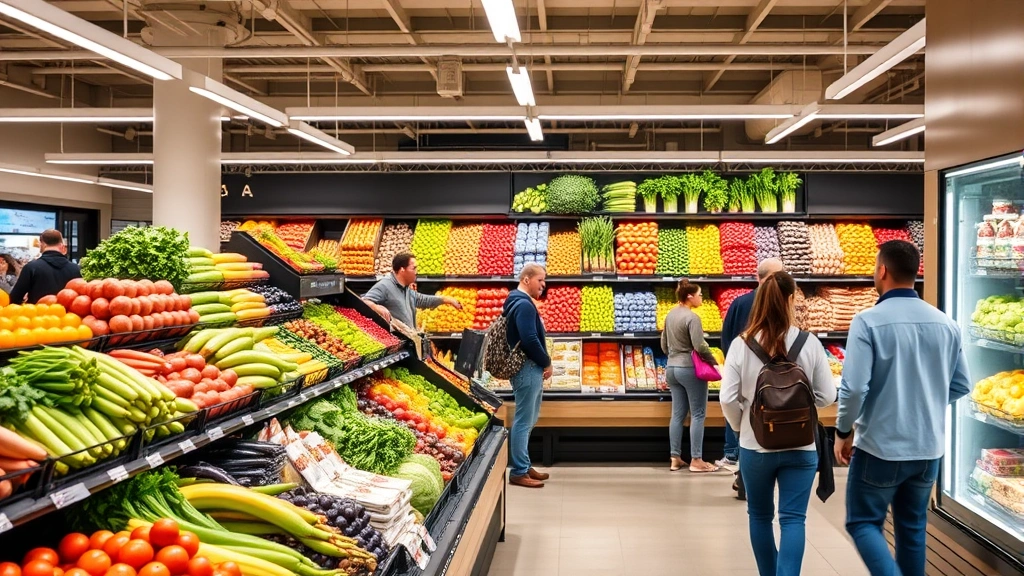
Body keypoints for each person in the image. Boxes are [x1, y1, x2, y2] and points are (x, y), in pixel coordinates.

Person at [835, 240, 971, 576]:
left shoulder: (867, 321)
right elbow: (962, 385)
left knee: (863, 523)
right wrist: (923, 402)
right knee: (912, 528)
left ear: (882, 270)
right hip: (928, 450)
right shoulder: (946, 323)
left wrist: (843, 431)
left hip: (881, 446)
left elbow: (853, 389)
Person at [719, 271, 836, 576]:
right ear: (789, 300)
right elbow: (827, 395)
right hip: (802, 445)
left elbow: (727, 398)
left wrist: (740, 426)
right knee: (793, 519)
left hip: (754, 447)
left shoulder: (741, 345)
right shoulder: (808, 343)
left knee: (759, 516)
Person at [718, 258, 785, 472]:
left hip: (741, 368)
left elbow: (726, 335)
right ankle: (770, 447)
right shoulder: (784, 303)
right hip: (775, 373)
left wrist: (733, 362)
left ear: (757, 278)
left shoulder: (740, 303)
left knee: (736, 403)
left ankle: (732, 453)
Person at [661, 279, 719, 473]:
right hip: (689, 369)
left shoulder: (670, 315)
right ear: (689, 296)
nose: (701, 297)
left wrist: (673, 356)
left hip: (672, 369)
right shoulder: (692, 318)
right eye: (700, 294)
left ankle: (675, 457)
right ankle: (696, 460)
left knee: (677, 414)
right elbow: (699, 345)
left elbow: (663, 343)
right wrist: (713, 362)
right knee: (698, 414)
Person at [503, 263, 552, 488]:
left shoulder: (515, 300)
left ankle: (524, 463)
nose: (544, 285)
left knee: (529, 419)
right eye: (540, 280)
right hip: (527, 368)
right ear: (526, 280)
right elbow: (530, 339)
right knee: (524, 420)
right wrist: (546, 361)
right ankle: (519, 472)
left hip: (527, 368)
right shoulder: (524, 305)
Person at [362, 252, 462, 328]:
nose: (416, 272)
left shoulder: (406, 289)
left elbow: (422, 300)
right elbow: (364, 302)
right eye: (414, 268)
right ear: (402, 270)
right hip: (396, 345)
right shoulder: (385, 285)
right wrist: (376, 307)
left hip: (409, 341)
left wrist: (447, 300)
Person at [8, 230, 80, 304]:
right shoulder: (76, 268)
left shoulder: (31, 267)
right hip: (68, 314)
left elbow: (15, 298)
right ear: (61, 245)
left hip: (38, 313)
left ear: (42, 244)